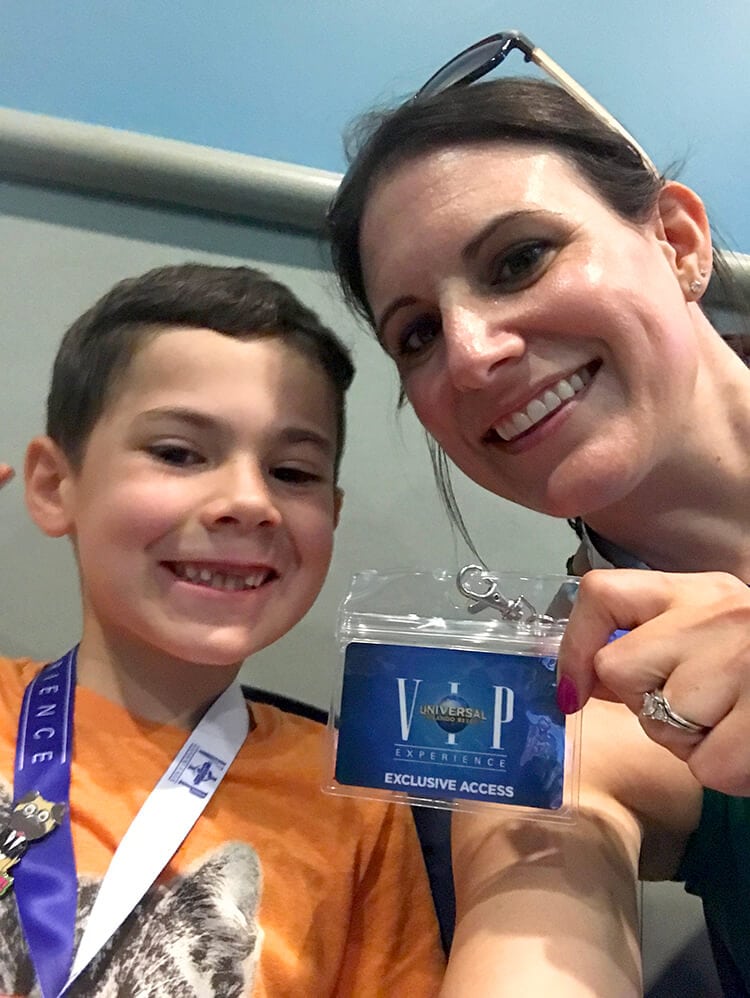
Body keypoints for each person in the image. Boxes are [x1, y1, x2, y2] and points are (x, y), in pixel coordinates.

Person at [327, 31, 750, 996]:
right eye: (418, 333)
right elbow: (538, 904)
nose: (470, 352)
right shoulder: (578, 701)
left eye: (519, 259)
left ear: (677, 243)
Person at [0, 263, 445, 996]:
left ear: (331, 514)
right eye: (177, 453)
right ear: (56, 486)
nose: (248, 501)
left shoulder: (353, 797)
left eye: (292, 472)